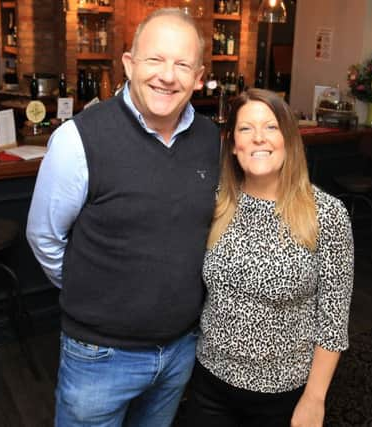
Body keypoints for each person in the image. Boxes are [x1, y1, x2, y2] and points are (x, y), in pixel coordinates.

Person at [26, 8, 220, 427]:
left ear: (199, 75)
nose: (168, 76)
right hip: (99, 357)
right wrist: (93, 289)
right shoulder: (77, 140)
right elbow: (44, 236)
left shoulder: (209, 139)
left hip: (180, 349)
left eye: (182, 64)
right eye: (155, 59)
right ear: (129, 64)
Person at [184, 88, 354, 427]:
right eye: (246, 129)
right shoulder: (215, 204)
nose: (259, 138)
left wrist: (314, 399)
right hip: (209, 383)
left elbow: (332, 322)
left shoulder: (327, 215)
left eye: (271, 127)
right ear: (233, 144)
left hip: (283, 393)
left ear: (289, 139)